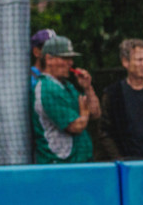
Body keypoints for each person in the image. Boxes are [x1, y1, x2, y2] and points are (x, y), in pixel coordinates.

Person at [31, 34, 101, 164]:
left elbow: (96, 113)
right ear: (49, 59)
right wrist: (84, 113)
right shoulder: (48, 88)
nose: (70, 63)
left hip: (79, 160)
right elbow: (76, 126)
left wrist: (88, 87)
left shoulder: (66, 86)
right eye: (65, 58)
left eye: (71, 58)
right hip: (59, 163)